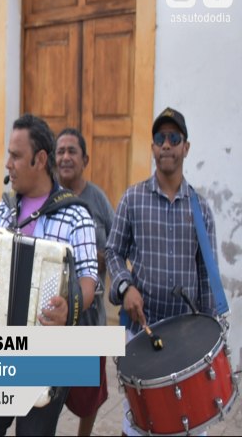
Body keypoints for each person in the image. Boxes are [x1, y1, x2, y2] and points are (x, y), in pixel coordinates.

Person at [0, 114, 98, 436]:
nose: (8, 163)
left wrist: (70, 307)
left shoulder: (76, 215)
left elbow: (89, 280)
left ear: (40, 160)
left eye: (16, 155)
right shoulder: (6, 206)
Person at [106, 107, 217, 436]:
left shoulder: (200, 208)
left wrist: (210, 337)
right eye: (159, 138)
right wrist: (126, 287)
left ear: (186, 147)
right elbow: (113, 251)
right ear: (152, 147)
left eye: (173, 138)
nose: (166, 145)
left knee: (189, 421)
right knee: (140, 423)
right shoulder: (133, 199)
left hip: (186, 336)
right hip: (142, 331)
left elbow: (207, 274)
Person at [56, 128, 114, 436]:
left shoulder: (98, 200)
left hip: (90, 320)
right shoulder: (47, 200)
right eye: (60, 151)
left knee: (89, 395)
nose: (65, 157)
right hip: (51, 318)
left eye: (72, 151)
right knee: (44, 394)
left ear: (85, 159)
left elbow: (118, 247)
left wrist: (97, 258)